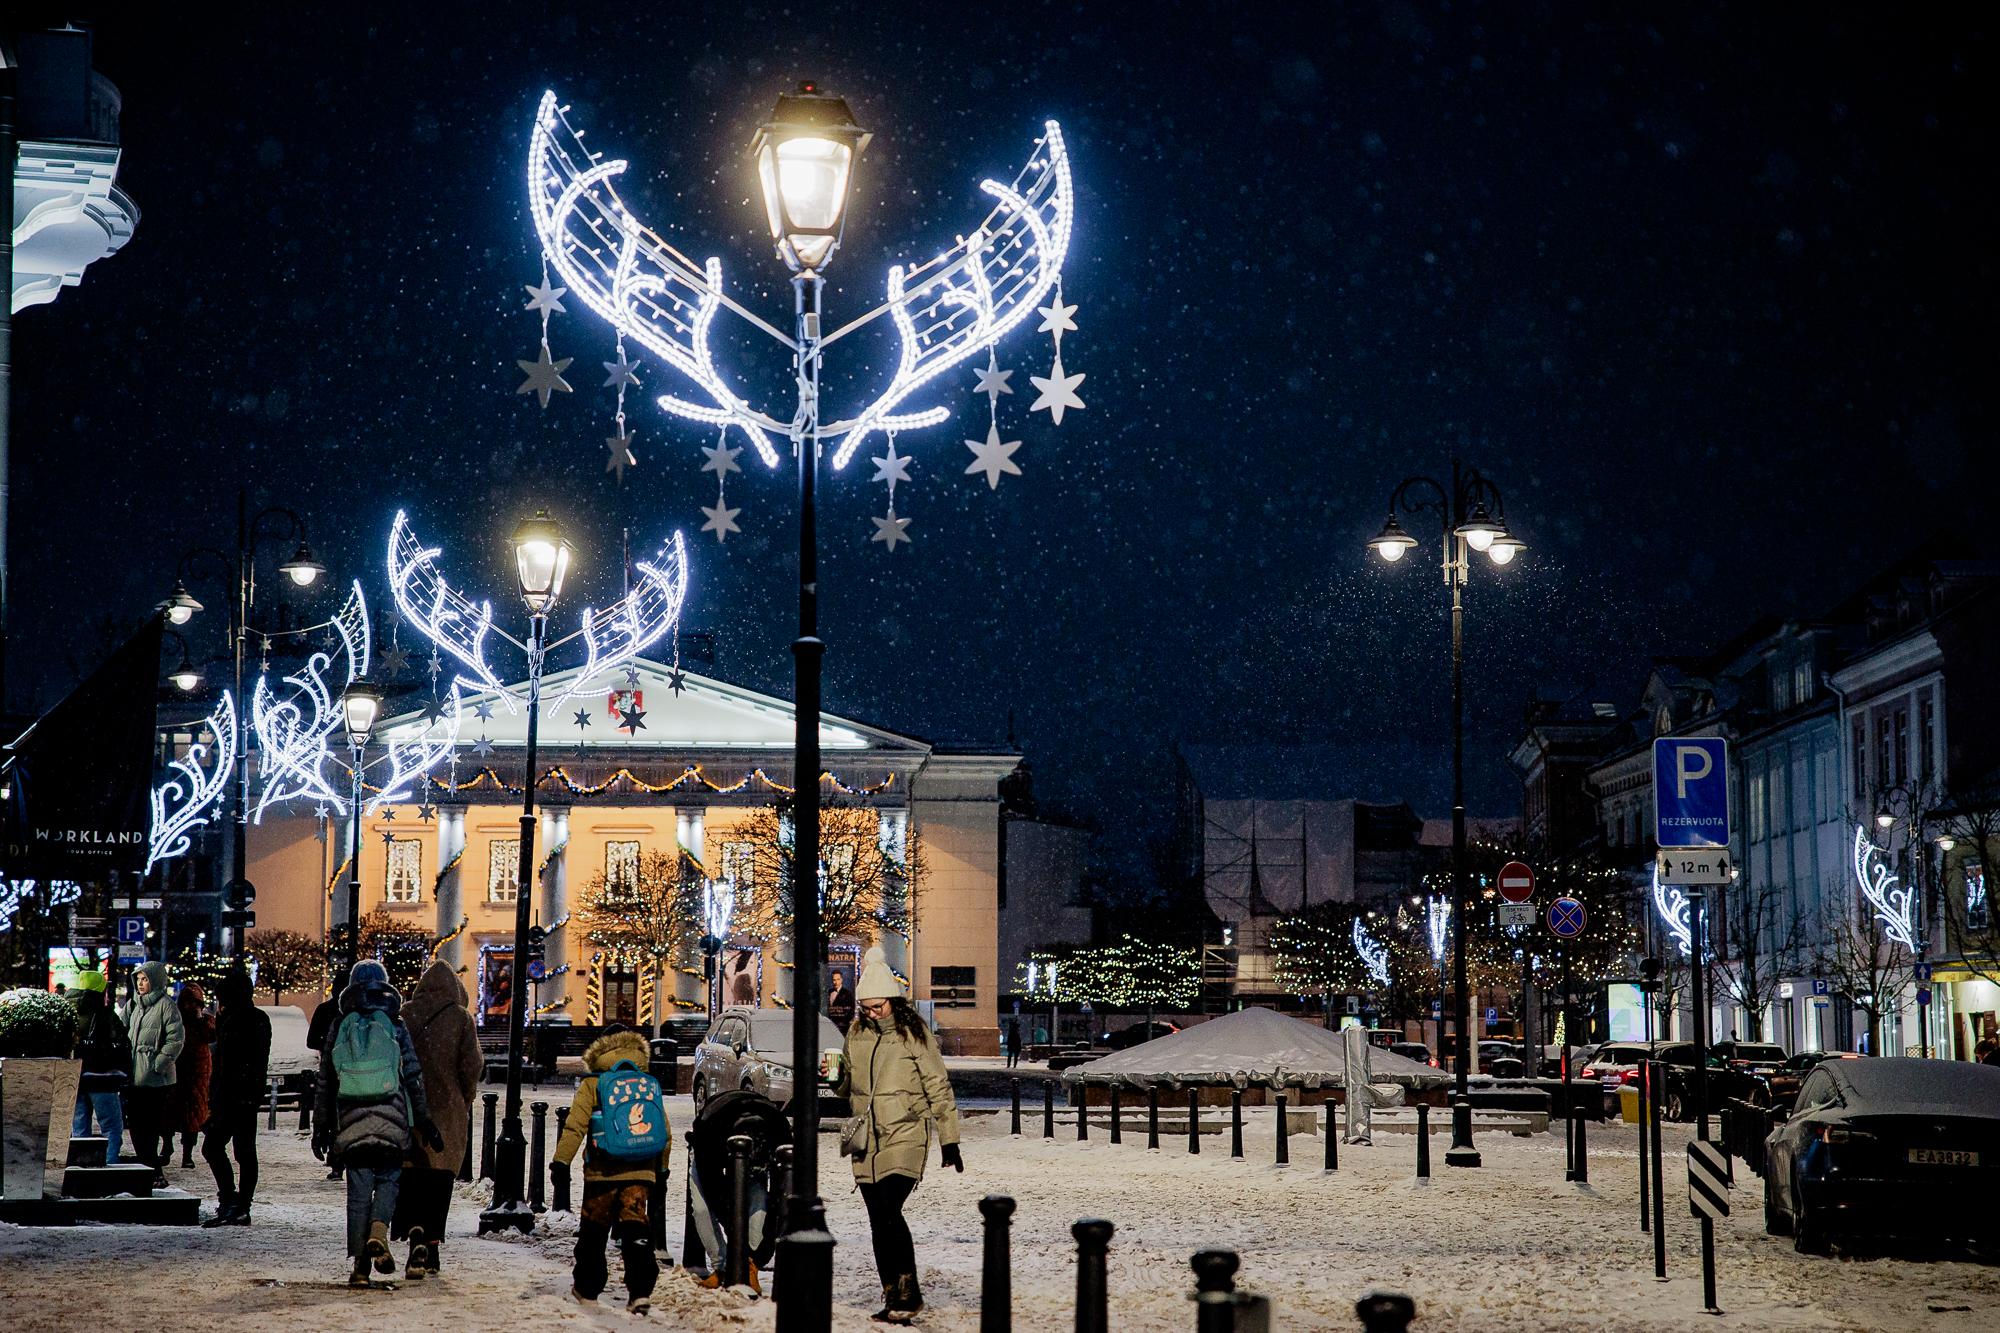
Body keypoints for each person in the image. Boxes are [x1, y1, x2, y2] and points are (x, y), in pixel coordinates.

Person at [825, 947, 963, 1325]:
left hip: (905, 1133)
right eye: (867, 1008)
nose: (873, 1014)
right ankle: (893, 1294)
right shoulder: (857, 1034)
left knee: (888, 1209)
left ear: (893, 1002)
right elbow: (847, 1087)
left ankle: (909, 1292)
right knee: (878, 1220)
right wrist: (835, 1080)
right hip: (866, 1140)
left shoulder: (913, 1034)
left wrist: (949, 1138)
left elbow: (938, 1085)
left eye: (878, 1007)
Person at [313, 960, 440, 1287]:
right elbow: (412, 1076)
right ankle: (379, 1231)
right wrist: (424, 1120)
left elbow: (326, 1081)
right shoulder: (395, 1025)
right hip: (391, 1118)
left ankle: (359, 1267)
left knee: (358, 1192)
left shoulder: (341, 1025)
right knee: (388, 1180)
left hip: (351, 1120)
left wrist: (321, 1127)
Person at [551, 1025, 669, 1315]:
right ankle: (640, 1290)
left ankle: (587, 1287)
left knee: (594, 1230)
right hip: (640, 1171)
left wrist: (561, 1161)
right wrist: (661, 1171)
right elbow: (664, 1132)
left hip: (602, 1171)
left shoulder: (594, 1083)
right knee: (635, 1227)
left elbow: (575, 1126)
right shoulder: (646, 1082)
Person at [392, 959, 482, 1279]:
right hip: (447, 1111)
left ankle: (414, 1231)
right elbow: (471, 1065)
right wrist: (465, 1096)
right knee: (439, 1180)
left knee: (411, 1176)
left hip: (408, 1108)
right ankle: (431, 1245)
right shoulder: (460, 1018)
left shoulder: (404, 1014)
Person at [687, 1088, 789, 1293]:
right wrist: (735, 1235)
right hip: (709, 1144)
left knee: (759, 1204)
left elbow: (780, 1200)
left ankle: (749, 1264)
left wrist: (757, 1256)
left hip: (755, 1146)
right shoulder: (710, 1133)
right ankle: (722, 1267)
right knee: (701, 1209)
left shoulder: (779, 1132)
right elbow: (714, 1193)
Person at [203, 966, 270, 1226]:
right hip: (236, 1094)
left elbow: (241, 1061)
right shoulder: (244, 1019)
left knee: (231, 1149)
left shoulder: (247, 1020)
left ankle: (237, 1203)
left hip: (237, 1095)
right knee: (231, 1149)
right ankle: (235, 1203)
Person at [126, 961, 186, 1187]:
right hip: (134, 1077)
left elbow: (175, 1039)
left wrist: (157, 1065)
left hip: (155, 1080)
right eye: (139, 979)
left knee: (149, 1127)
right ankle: (146, 1169)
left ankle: (153, 1171)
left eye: (145, 979)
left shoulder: (166, 1006)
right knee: (136, 1127)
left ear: (156, 981)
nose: (141, 984)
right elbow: (123, 1033)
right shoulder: (134, 1005)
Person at [69, 970, 130, 1163]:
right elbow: (121, 1041)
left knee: (79, 1129)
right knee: (111, 1127)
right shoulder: (104, 1014)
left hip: (75, 1077)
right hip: (102, 1078)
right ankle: (110, 1167)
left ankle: (80, 1170)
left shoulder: (67, 1012)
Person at [307, 965, 352, 1181]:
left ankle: (336, 1159)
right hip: (349, 1072)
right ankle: (340, 1157)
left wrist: (327, 1045)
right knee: (344, 1115)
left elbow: (312, 1040)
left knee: (333, 1115)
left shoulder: (327, 1011)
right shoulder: (352, 1015)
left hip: (334, 1070)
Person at [168, 982, 215, 1169]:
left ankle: (187, 1153)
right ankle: (167, 1145)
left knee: (193, 1116)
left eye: (194, 1003)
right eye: (188, 1002)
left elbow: (211, 1036)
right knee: (171, 1112)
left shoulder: (205, 1021)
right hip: (177, 1070)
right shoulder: (175, 1020)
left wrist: (200, 1019)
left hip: (197, 1074)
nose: (191, 1006)